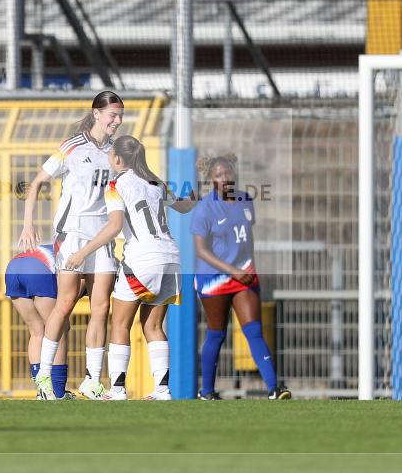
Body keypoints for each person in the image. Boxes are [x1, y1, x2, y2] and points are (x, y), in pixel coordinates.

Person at [66, 136, 195, 400]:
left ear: (117, 159)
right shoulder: (155, 182)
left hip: (142, 259)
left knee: (120, 324)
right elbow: (185, 206)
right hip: (170, 258)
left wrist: (82, 252)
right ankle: (162, 389)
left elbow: (114, 226)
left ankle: (117, 389)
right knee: (154, 326)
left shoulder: (116, 184)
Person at [18, 91, 124, 400]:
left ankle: (92, 380)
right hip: (72, 235)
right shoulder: (72, 147)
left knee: (101, 307)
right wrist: (28, 223)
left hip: (102, 237)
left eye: (120, 116)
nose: (116, 121)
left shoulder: (117, 152)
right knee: (64, 304)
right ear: (96, 114)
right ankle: (45, 380)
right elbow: (36, 183)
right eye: (112, 115)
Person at [192, 154, 290, 401]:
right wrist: (233, 270)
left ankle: (274, 389)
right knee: (217, 334)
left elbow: (246, 238)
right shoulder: (204, 208)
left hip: (244, 275)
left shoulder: (245, 200)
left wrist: (249, 267)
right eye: (218, 175)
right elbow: (202, 250)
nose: (224, 178)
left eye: (227, 173)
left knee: (254, 331)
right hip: (214, 278)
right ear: (211, 181)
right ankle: (207, 392)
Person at [5, 244, 75, 400]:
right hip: (38, 269)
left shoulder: (66, 243)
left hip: (13, 267)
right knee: (59, 331)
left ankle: (43, 391)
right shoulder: (83, 255)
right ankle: (58, 392)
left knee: (37, 333)